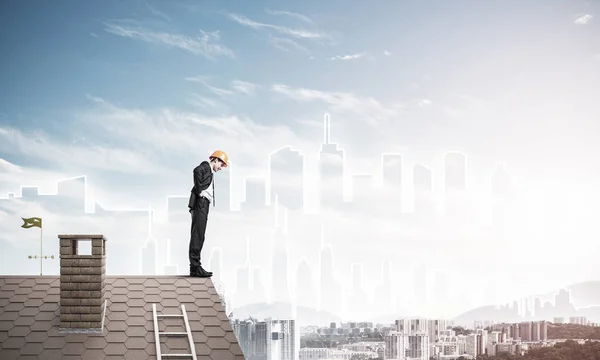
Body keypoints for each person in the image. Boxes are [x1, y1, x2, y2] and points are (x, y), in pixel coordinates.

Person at [188, 150, 228, 278]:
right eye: (221, 165)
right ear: (215, 160)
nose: (221, 168)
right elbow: (196, 170)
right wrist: (200, 191)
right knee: (197, 235)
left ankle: (195, 268)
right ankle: (195, 266)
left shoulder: (209, 172)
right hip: (201, 203)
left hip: (203, 205)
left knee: (200, 235)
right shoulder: (205, 166)